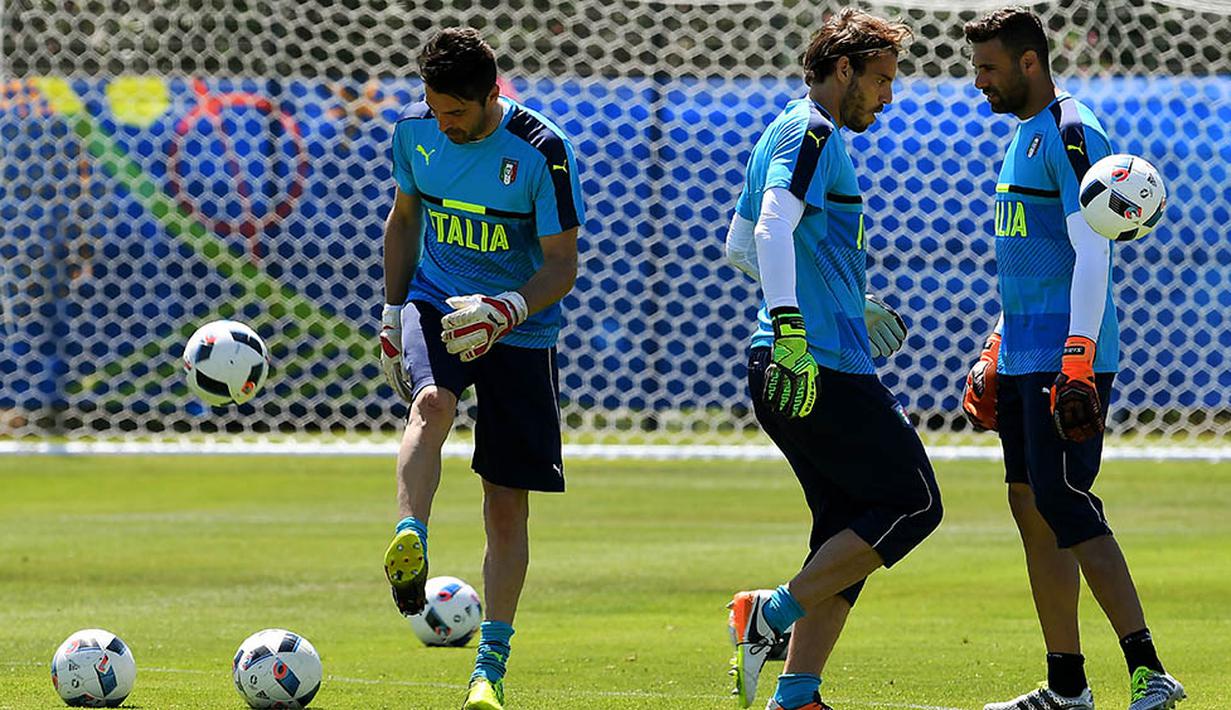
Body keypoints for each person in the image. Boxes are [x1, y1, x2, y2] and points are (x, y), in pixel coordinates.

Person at [961, 8, 1185, 710]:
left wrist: (1077, 360)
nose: (979, 83)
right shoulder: (1019, 136)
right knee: (1028, 503)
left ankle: (1148, 671)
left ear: (1030, 63)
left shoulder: (1071, 129)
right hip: (1026, 353)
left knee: (1064, 500)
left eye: (988, 68)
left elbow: (1094, 248)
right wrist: (995, 347)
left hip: (1068, 357)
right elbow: (1030, 261)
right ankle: (1065, 686)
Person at [724, 10, 942, 709]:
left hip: (791, 359)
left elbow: (739, 248)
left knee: (843, 533)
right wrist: (795, 326)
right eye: (881, 80)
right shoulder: (814, 131)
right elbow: (769, 228)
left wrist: (849, 296)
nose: (887, 96)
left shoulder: (780, 128)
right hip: (814, 365)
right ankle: (772, 615)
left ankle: (797, 695)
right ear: (842, 70)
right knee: (913, 504)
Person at [377, 27, 584, 710]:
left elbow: (561, 265)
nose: (443, 124)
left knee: (503, 503)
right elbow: (404, 220)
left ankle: (487, 672)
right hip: (435, 300)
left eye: (455, 114)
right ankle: (410, 535)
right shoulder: (415, 134)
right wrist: (390, 309)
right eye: (434, 110)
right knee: (430, 404)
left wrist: (505, 308)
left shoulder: (541, 151)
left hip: (519, 332)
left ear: (489, 96)